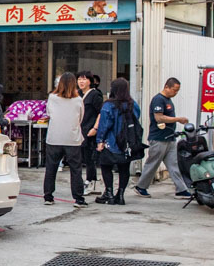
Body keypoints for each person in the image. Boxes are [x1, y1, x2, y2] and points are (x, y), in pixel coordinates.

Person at [134, 76, 191, 198]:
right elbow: (159, 117)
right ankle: (141, 186)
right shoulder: (158, 99)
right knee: (153, 163)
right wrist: (178, 119)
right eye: (174, 90)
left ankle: (181, 189)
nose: (175, 93)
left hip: (169, 138)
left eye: (177, 91)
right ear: (167, 87)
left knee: (173, 164)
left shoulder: (168, 100)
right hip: (159, 138)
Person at [43, 72, 86, 206]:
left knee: (51, 167)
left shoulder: (52, 97)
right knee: (76, 169)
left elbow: (48, 113)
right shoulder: (78, 100)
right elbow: (81, 117)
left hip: (54, 137)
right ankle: (78, 198)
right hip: (72, 138)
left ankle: (48, 196)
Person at [95, 77, 141, 205]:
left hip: (111, 143)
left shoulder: (108, 105)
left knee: (105, 166)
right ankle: (120, 195)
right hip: (127, 143)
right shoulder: (133, 105)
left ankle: (108, 193)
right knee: (124, 168)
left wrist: (100, 141)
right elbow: (136, 120)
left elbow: (104, 125)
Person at [77, 70, 104, 195]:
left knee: (89, 158)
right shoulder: (78, 94)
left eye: (84, 79)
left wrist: (95, 128)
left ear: (90, 81)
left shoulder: (95, 95)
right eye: (79, 79)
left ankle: (91, 181)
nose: (81, 82)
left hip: (90, 130)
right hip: (79, 130)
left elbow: (101, 112)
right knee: (82, 157)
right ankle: (87, 181)